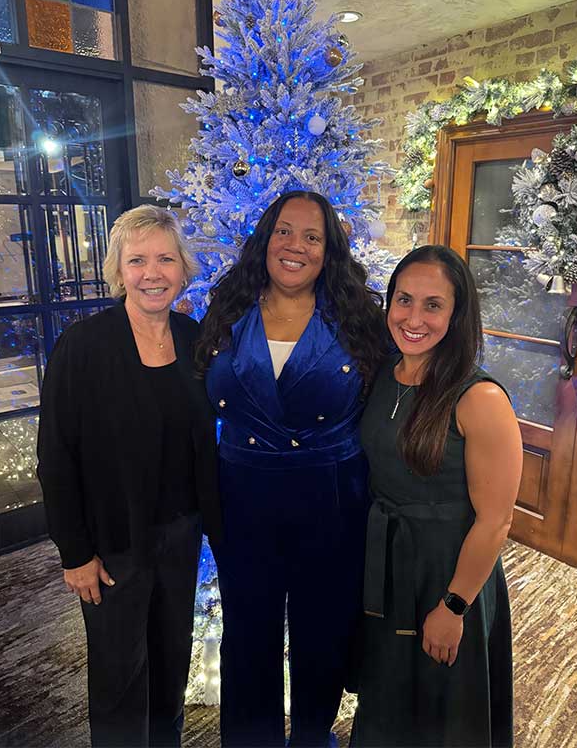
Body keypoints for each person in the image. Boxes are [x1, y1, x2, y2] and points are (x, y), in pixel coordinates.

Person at [195, 190, 390, 747]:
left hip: (330, 497)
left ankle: (311, 737)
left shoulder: (359, 320)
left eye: (312, 237)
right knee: (247, 634)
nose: (295, 246)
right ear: (266, 238)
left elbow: (392, 399)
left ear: (329, 252)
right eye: (284, 231)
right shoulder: (229, 305)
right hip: (243, 496)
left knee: (321, 635)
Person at [37, 205, 222, 748]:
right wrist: (74, 553)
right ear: (119, 271)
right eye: (137, 260)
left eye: (165, 258)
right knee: (120, 679)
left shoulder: (196, 339)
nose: (153, 273)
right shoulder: (84, 346)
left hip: (181, 535)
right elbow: (55, 456)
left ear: (182, 268)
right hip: (112, 542)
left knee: (170, 665)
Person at [350, 245, 523, 748]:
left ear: (456, 314)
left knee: (443, 709)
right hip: (389, 561)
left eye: (433, 305)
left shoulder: (479, 397)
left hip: (450, 569)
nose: (413, 318)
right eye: (403, 300)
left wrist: (454, 606)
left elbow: (495, 521)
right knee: (388, 697)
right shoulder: (385, 373)